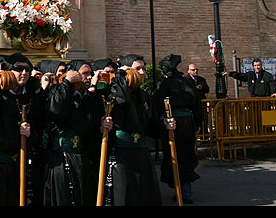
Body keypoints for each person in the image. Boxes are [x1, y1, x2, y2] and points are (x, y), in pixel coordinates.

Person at [0, 52, 44, 206]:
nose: (23, 73)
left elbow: (41, 125)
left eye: (27, 70)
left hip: (18, 162)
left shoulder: (31, 96)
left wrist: (30, 133)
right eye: (18, 69)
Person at [100, 63, 176, 206]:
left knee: (145, 194)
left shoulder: (144, 96)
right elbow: (122, 100)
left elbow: (152, 126)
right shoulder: (114, 92)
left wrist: (165, 125)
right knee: (126, 196)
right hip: (121, 154)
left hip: (141, 153)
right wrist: (120, 78)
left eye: (143, 69)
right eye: (137, 69)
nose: (142, 72)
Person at [44, 59, 103, 206]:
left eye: (91, 73)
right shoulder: (57, 92)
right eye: (85, 73)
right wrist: (66, 84)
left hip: (82, 157)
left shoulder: (89, 98)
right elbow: (55, 110)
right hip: (62, 157)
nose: (89, 77)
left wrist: (102, 126)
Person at [152, 54, 203, 204]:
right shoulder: (186, 83)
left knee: (175, 156)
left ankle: (183, 191)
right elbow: (197, 104)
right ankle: (184, 191)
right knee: (185, 155)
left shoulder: (164, 85)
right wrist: (198, 124)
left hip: (173, 124)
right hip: (187, 123)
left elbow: (157, 106)